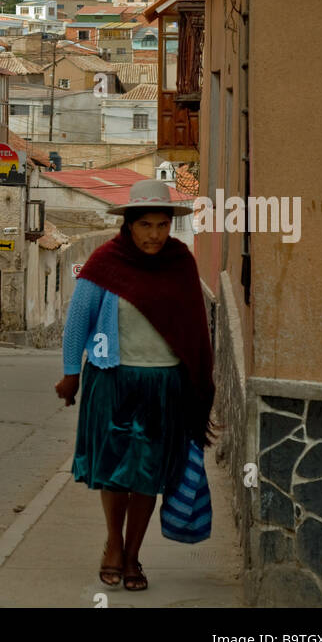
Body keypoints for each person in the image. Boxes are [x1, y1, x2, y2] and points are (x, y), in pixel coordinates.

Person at [55, 179, 214, 593]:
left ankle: (132, 555)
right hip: (114, 380)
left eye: (162, 225)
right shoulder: (106, 262)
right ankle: (113, 543)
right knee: (114, 470)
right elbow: (78, 323)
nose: (155, 235)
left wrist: (199, 383)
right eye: (145, 225)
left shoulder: (181, 263)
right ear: (129, 225)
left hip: (165, 385)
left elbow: (196, 328)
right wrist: (71, 374)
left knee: (148, 473)